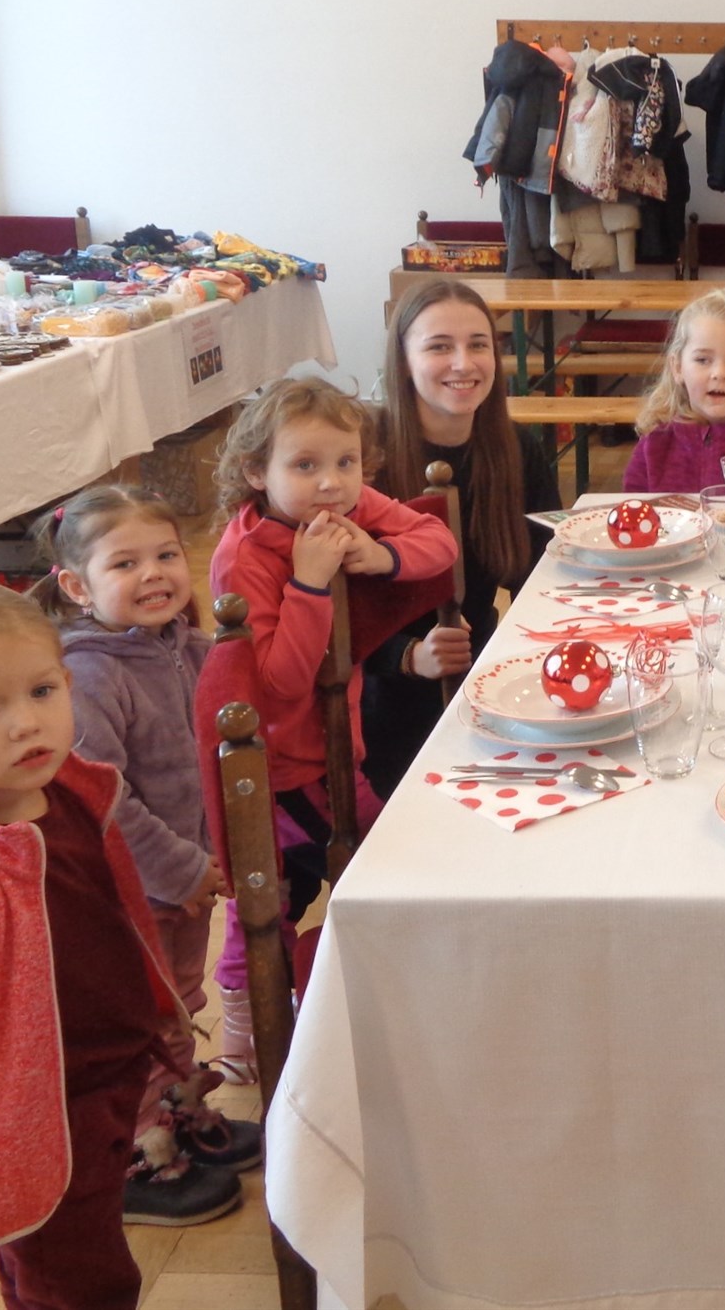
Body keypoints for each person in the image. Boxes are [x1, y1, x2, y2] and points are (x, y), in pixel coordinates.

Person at [0, 579, 207, 1308]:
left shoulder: (73, 790)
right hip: (36, 1123)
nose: (24, 724)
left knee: (53, 1268)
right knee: (83, 1285)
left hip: (108, 1077)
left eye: (41, 691)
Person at [207, 377, 458, 1079]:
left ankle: (282, 1024)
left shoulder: (344, 507)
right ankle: (251, 1039)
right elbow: (282, 682)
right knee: (288, 896)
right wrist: (310, 583)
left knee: (284, 893)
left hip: (336, 748)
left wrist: (381, 556)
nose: (331, 483)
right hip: (285, 768)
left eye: (346, 463)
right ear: (257, 472)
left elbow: (435, 539)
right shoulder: (245, 557)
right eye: (305, 465)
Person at [29, 486, 258, 1226]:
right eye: (125, 563)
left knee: (178, 999)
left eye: (165, 555)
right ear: (77, 586)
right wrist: (180, 866)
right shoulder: (90, 674)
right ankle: (135, 1151)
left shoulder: (184, 647)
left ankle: (175, 1108)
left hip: (183, 882)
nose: (154, 573)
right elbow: (107, 798)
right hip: (131, 892)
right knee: (136, 1016)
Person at [362, 279, 558, 799]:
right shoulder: (364, 458)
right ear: (404, 361)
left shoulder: (517, 449)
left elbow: (542, 578)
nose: (463, 363)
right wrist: (407, 656)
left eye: (478, 345)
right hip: (391, 702)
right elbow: (334, 614)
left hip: (487, 677)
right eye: (439, 347)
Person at [622, 286, 725, 494]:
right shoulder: (653, 447)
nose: (719, 373)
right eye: (702, 360)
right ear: (678, 367)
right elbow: (633, 510)